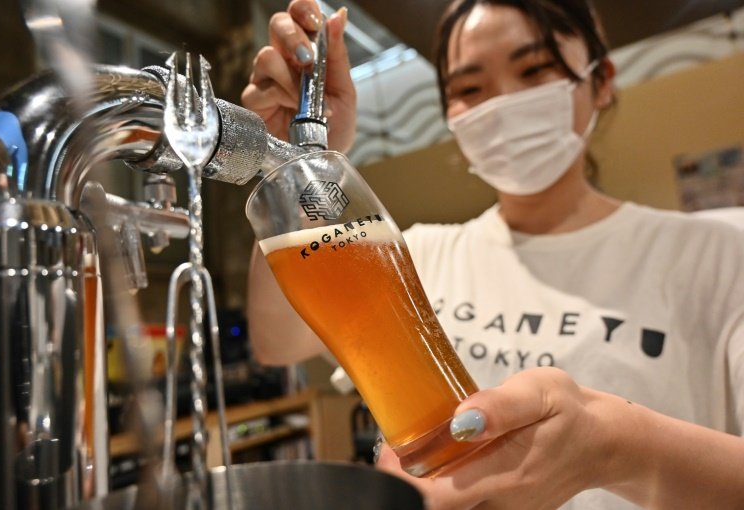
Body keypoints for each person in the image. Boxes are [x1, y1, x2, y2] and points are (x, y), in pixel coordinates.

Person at [241, 0, 744, 508]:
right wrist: (297, 164)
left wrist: (621, 448)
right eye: (469, 89)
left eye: (534, 68)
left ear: (601, 80)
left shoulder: (720, 255)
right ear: (450, 115)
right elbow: (277, 343)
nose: (503, 102)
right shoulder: (411, 255)